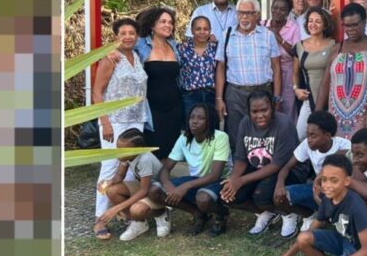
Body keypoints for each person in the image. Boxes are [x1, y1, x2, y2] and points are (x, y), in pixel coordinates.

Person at [266, 153, 367, 256]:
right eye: (324, 179)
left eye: (334, 180)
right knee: (304, 238)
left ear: (347, 181)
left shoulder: (355, 205)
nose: (327, 185)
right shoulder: (327, 200)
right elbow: (309, 232)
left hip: (359, 250)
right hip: (342, 241)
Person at [91, 18, 147, 239]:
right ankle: (99, 218)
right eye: (123, 33)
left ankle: (126, 213)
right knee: (109, 167)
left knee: (131, 168)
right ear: (116, 36)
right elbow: (97, 92)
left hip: (136, 119)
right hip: (114, 121)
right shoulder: (110, 58)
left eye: (132, 33)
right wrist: (105, 122)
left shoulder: (137, 57)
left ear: (137, 36)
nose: (127, 37)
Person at [220, 91, 302, 238]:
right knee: (231, 195)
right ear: (248, 111)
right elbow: (241, 158)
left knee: (261, 194)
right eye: (255, 111)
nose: (260, 115)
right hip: (259, 167)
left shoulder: (284, 123)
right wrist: (233, 180)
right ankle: (268, 212)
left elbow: (277, 164)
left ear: (273, 107)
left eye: (264, 110)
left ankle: (289, 213)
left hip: (287, 170)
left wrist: (241, 180)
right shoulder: (245, 123)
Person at [149, 103, 232, 237]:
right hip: (196, 180)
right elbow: (165, 169)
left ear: (210, 121)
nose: (194, 121)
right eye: (192, 117)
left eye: (201, 118)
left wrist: (185, 186)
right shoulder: (184, 138)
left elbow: (215, 175)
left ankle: (222, 214)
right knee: (155, 191)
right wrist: (169, 187)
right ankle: (198, 214)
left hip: (219, 181)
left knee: (203, 199)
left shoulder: (220, 137)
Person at [215, 0, 282, 150]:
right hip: (235, 94)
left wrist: (277, 97)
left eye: (249, 13)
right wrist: (219, 98)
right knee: (235, 136)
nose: (244, 17)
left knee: (263, 136)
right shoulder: (227, 35)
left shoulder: (267, 35)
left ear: (257, 15)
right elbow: (220, 67)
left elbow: (277, 68)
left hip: (263, 92)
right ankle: (238, 165)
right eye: (240, 13)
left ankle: (261, 164)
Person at [316, 3, 367, 139]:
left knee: (364, 148)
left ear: (364, 22)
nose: (351, 29)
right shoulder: (337, 49)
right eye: (347, 25)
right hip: (336, 116)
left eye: (355, 25)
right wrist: (317, 115)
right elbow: (325, 84)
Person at [274, 111, 352, 232]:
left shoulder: (344, 146)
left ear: (327, 136)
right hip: (317, 188)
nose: (309, 139)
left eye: (313, 136)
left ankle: (330, 218)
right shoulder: (307, 145)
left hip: (337, 191)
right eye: (308, 135)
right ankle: (310, 215)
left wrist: (319, 185)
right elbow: (287, 167)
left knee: (325, 195)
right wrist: (279, 184)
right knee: (280, 197)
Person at [99, 129, 170, 241]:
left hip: (157, 192)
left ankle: (161, 213)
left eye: (122, 150)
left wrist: (117, 208)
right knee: (111, 191)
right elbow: (120, 175)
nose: (118, 152)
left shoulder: (145, 159)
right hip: (145, 186)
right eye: (117, 148)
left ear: (137, 149)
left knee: (136, 210)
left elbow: (144, 191)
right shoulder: (126, 156)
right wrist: (108, 182)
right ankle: (139, 223)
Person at [135, 7, 182, 160]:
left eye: (170, 22)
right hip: (151, 109)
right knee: (151, 151)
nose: (168, 25)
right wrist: (113, 52)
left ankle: (164, 176)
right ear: (152, 25)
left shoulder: (174, 45)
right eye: (163, 22)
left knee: (171, 151)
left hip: (174, 108)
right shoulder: (141, 44)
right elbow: (122, 48)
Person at [292, 7, 336, 140]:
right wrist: (296, 89)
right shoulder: (299, 46)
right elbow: (295, 73)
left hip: (330, 101)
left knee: (328, 138)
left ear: (325, 25)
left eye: (318, 21)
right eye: (310, 21)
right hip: (309, 100)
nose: (313, 24)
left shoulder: (333, 45)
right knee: (300, 136)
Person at [262, 0, 301, 121]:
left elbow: (296, 52)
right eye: (275, 8)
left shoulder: (293, 27)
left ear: (288, 12)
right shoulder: (262, 24)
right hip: (267, 71)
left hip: (287, 72)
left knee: (286, 106)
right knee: (267, 104)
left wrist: (278, 37)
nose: (277, 11)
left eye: (282, 9)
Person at [178, 16, 218, 125]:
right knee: (191, 127)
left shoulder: (215, 48)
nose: (202, 32)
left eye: (206, 29)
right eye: (198, 29)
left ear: (210, 30)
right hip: (190, 96)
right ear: (192, 30)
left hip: (211, 95)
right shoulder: (182, 48)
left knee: (211, 127)